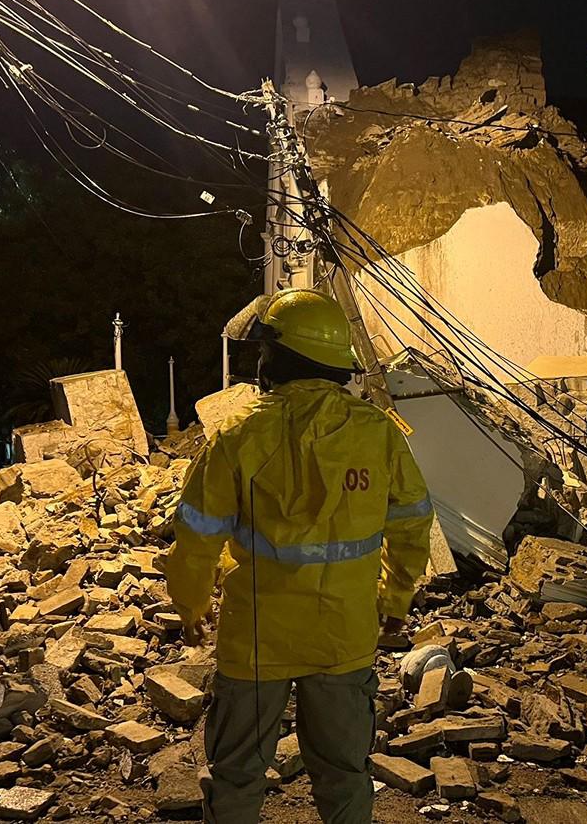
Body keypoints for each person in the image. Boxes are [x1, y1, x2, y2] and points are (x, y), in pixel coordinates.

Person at [159, 288, 433, 824]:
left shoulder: (237, 434)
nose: (260, 364)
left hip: (256, 637)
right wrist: (396, 596)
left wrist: (189, 607)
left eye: (265, 353)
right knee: (344, 773)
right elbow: (412, 522)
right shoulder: (378, 433)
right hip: (344, 636)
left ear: (283, 357)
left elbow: (195, 538)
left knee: (237, 772)